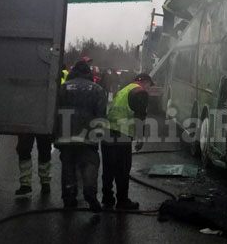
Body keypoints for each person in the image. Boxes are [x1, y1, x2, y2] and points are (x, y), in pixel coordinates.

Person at [55, 60, 107, 211]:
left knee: (68, 166)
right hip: (87, 137)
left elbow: (54, 111)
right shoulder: (97, 89)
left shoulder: (63, 88)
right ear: (88, 73)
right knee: (90, 163)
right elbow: (101, 115)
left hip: (65, 135)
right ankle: (90, 193)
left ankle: (69, 197)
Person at [101, 73, 153, 210]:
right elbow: (140, 117)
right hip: (122, 135)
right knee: (122, 169)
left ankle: (107, 199)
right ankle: (122, 201)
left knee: (108, 168)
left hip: (107, 132)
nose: (149, 89)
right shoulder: (140, 92)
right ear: (145, 82)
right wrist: (140, 138)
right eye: (149, 86)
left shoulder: (124, 90)